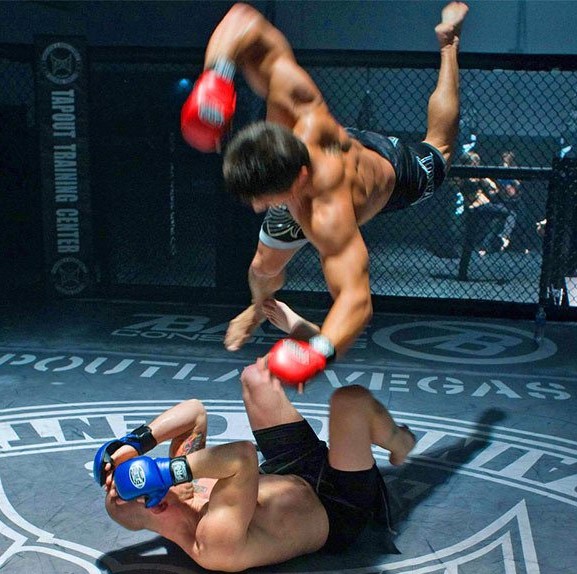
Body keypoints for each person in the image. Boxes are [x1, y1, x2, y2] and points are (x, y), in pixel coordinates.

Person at [180, 2, 469, 385]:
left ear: (298, 182)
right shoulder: (292, 106)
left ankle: (449, 45)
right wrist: (216, 78)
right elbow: (242, 19)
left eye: (263, 199)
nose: (257, 208)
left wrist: (318, 353)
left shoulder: (328, 215)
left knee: (440, 149)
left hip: (392, 173)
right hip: (324, 149)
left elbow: (356, 300)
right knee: (261, 270)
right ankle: (258, 308)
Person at [94, 361, 416, 572]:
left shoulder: (182, 491)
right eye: (145, 469)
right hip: (337, 506)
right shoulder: (213, 542)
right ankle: (400, 443)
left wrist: (135, 443)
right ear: (158, 504)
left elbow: (194, 411)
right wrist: (167, 471)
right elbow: (242, 456)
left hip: (293, 469)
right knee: (351, 401)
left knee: (255, 377)